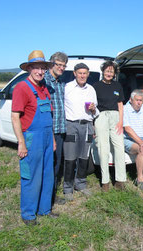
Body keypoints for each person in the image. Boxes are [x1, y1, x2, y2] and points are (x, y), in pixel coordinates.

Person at [11, 50, 58, 225]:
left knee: (47, 174)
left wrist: (52, 138)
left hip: (46, 137)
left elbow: (49, 118)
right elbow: (15, 116)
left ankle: (44, 209)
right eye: (36, 68)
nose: (40, 71)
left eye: (42, 68)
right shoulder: (22, 88)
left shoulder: (44, 87)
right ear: (29, 68)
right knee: (31, 175)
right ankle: (28, 214)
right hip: (31, 138)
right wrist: (21, 143)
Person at [63, 63, 99, 200]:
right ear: (75, 73)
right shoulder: (67, 88)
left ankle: (81, 184)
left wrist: (93, 109)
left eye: (85, 73)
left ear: (88, 74)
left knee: (84, 157)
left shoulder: (91, 89)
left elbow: (95, 110)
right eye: (80, 73)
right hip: (71, 125)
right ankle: (67, 188)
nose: (82, 76)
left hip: (87, 125)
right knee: (70, 158)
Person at [92, 61, 126, 192]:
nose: (109, 73)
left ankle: (120, 180)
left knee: (119, 147)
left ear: (114, 73)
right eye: (107, 71)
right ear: (103, 72)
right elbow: (93, 106)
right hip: (101, 117)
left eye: (111, 71)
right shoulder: (96, 86)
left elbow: (120, 105)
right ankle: (105, 181)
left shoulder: (117, 86)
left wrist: (121, 122)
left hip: (115, 117)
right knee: (103, 148)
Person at [43, 52, 68, 205]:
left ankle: (50, 195)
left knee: (56, 163)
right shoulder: (43, 80)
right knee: (48, 165)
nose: (61, 68)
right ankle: (46, 197)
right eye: (58, 64)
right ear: (51, 64)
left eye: (64, 66)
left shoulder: (60, 82)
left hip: (60, 129)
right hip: (48, 130)